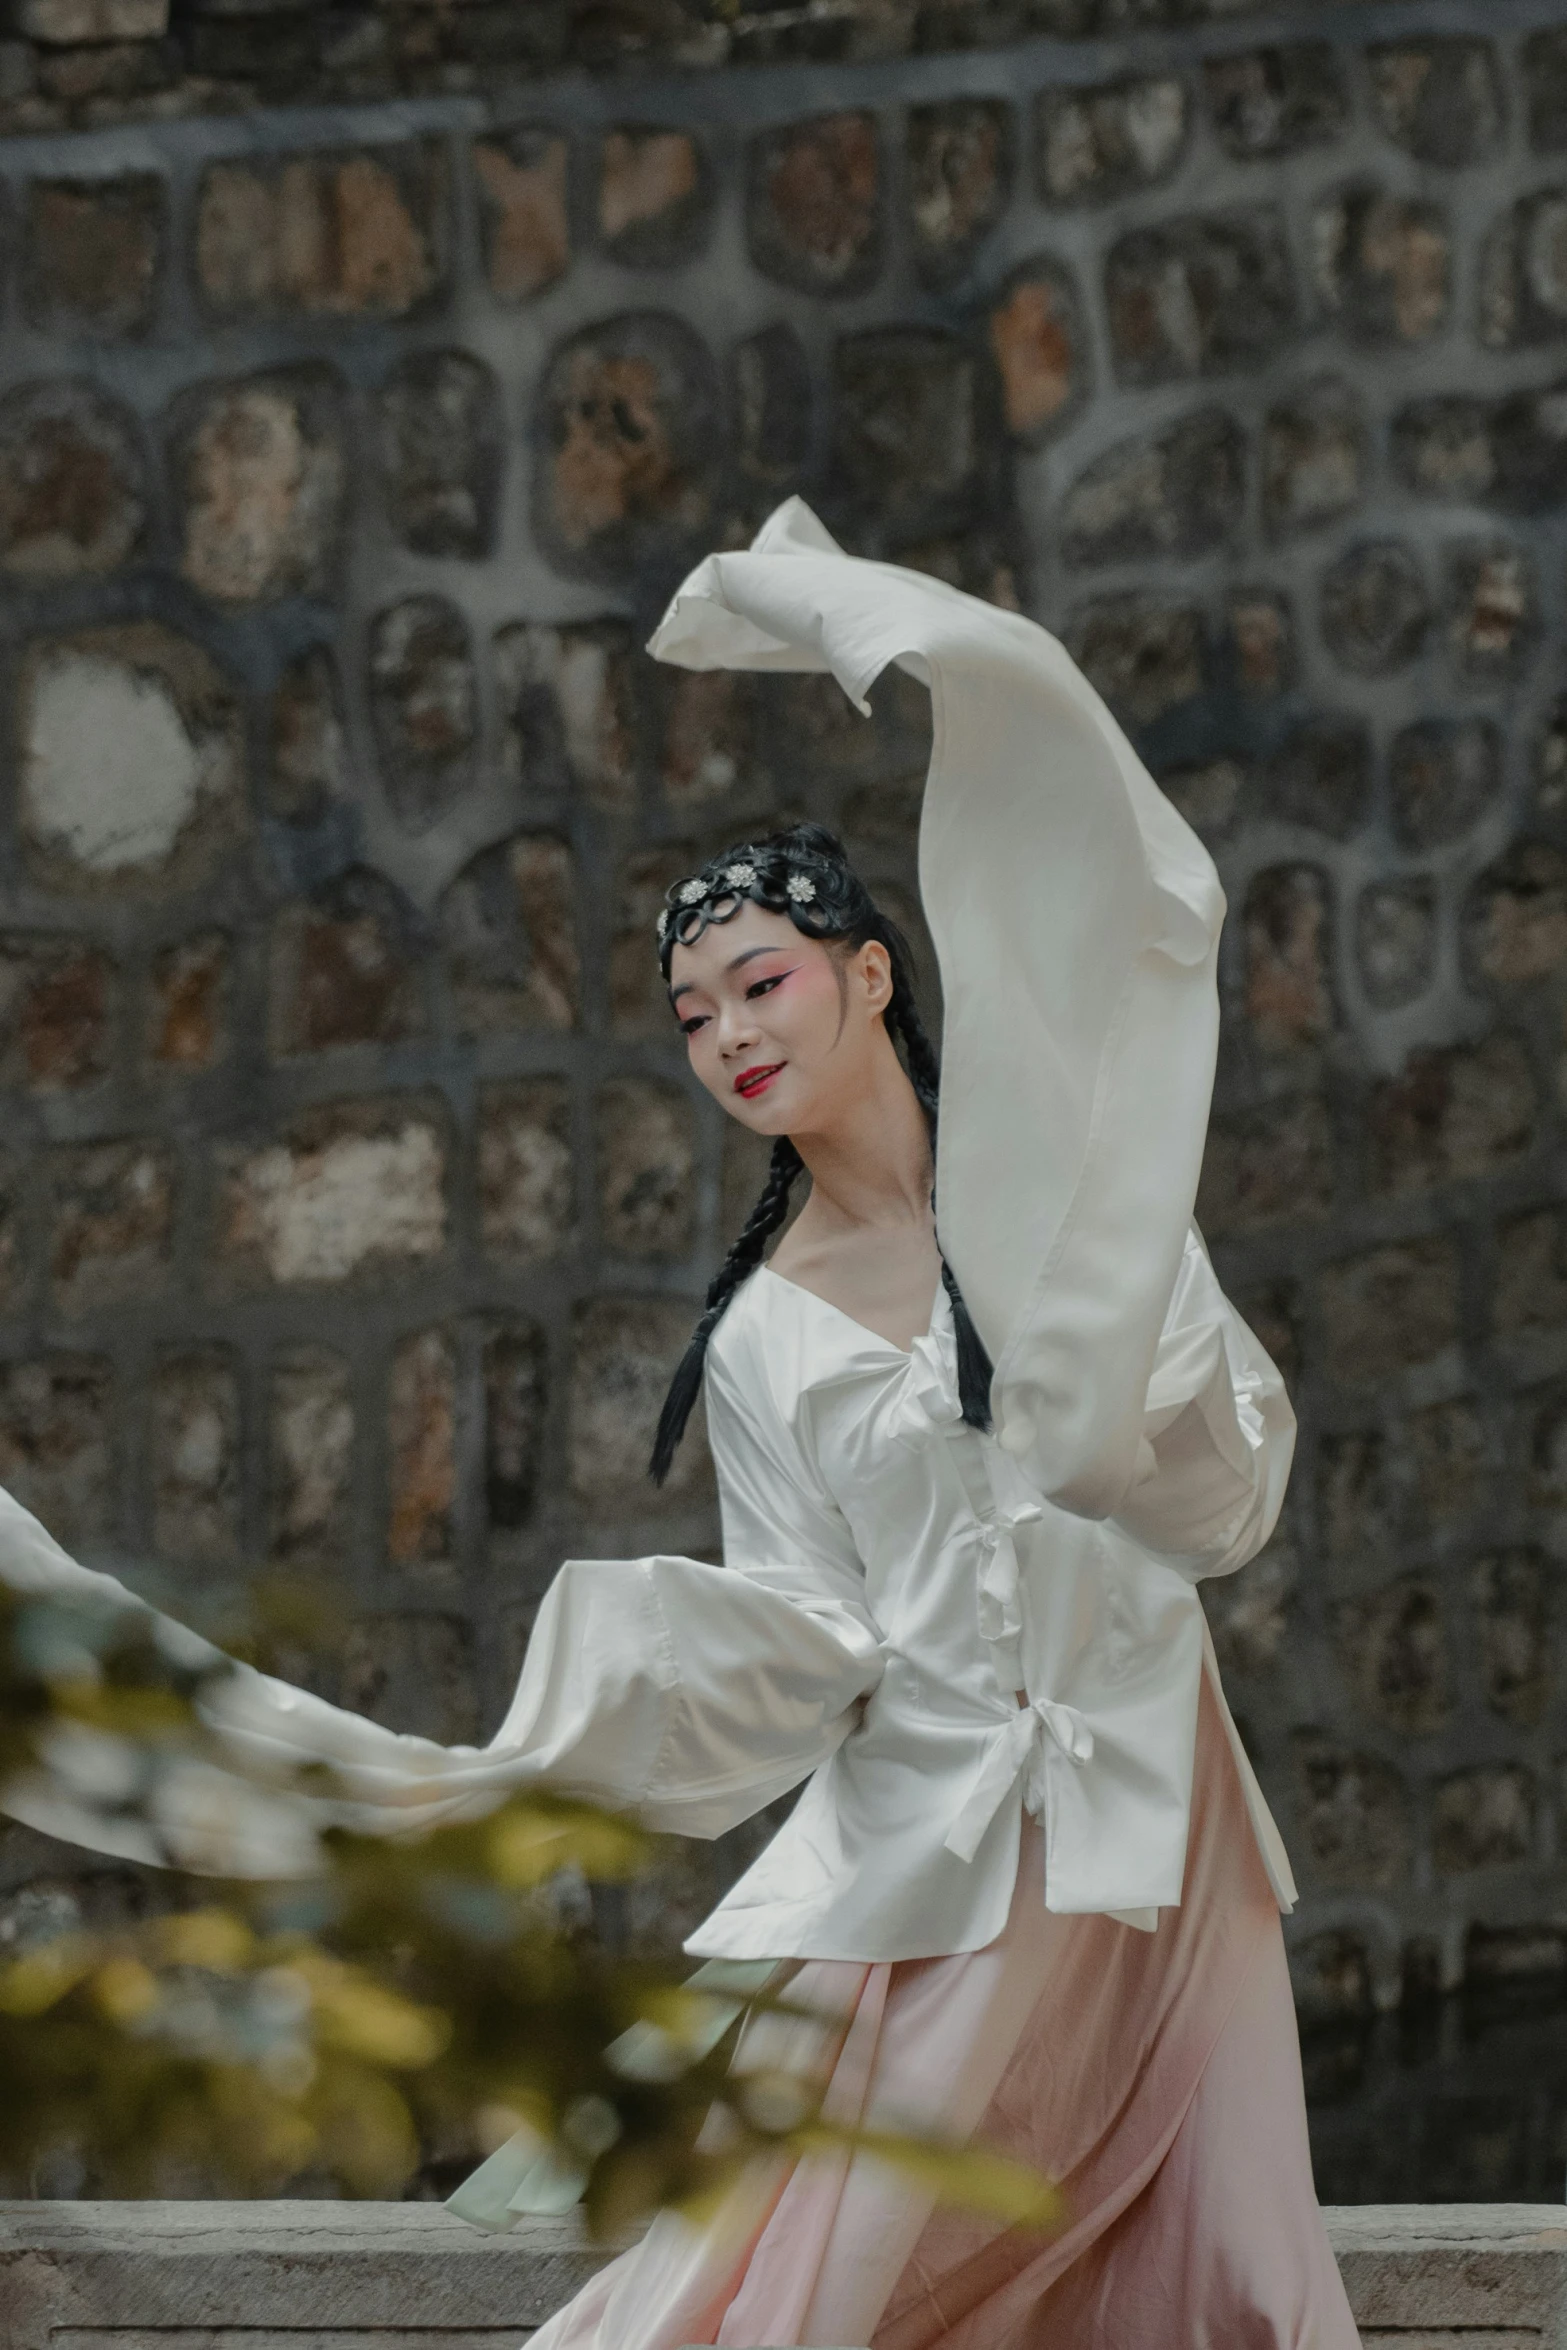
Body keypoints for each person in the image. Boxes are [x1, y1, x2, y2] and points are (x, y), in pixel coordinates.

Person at [0, 502, 1360, 2347]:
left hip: (1161, 1806)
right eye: (691, 1014)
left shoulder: (1063, 1204)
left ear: (872, 971)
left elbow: (1224, 1496)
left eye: (761, 983)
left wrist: (1128, 1393)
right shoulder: (763, 1340)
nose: (726, 1035)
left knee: (1208, 2285)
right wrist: (656, 1665)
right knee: (784, 2281)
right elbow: (812, 1622)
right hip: (947, 1853)